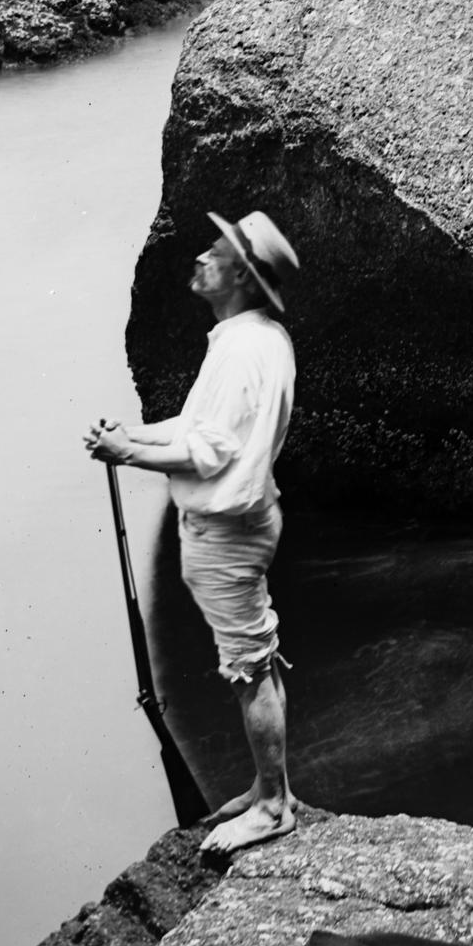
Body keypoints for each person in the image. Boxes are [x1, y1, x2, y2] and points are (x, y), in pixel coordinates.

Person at [90, 207, 307, 858]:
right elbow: (194, 423)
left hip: (225, 528)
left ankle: (273, 806)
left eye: (212, 253)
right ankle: (271, 786)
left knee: (248, 667)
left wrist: (126, 455)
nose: (197, 259)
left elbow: (208, 451)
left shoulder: (242, 347)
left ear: (239, 273)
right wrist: (133, 435)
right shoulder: (253, 336)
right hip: (238, 520)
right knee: (255, 658)